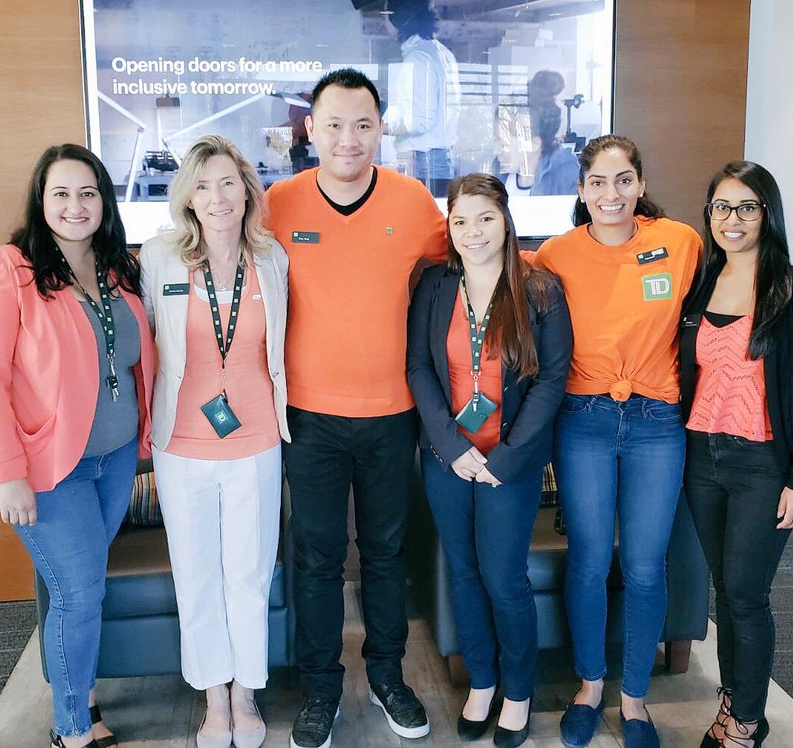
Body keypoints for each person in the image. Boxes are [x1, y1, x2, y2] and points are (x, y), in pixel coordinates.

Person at [266, 68, 447, 748]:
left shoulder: (414, 201)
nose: (348, 139)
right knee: (315, 557)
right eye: (334, 124)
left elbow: (466, 269)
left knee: (385, 553)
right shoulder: (276, 204)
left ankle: (387, 675)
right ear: (310, 129)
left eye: (362, 124)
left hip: (392, 412)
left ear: (381, 128)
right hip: (307, 416)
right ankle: (320, 688)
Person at [0, 144, 156, 748]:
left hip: (116, 456)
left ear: (105, 200)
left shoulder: (118, 267)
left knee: (82, 587)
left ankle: (83, 691)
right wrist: (6, 473)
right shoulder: (9, 269)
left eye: (89, 193)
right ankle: (73, 729)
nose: (76, 206)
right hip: (49, 469)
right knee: (80, 590)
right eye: (62, 194)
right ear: (41, 201)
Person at [532, 135, 702, 748]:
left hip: (658, 422)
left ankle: (635, 700)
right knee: (588, 559)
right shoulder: (554, 255)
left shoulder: (679, 242)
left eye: (623, 179)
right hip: (584, 421)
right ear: (581, 189)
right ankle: (589, 686)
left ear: (640, 183)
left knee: (645, 565)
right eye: (598, 183)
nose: (612, 194)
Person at [407, 173, 572, 748]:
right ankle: (482, 681)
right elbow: (419, 371)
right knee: (463, 570)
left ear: (505, 220)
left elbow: (553, 379)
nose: (473, 232)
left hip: (510, 462)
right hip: (447, 459)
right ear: (448, 228)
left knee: (504, 578)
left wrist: (506, 456)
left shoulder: (540, 290)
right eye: (460, 221)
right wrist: (453, 449)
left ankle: (519, 691)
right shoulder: (433, 287)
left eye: (485, 218)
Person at [138, 136, 289, 748]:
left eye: (228, 183)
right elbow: (147, 340)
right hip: (182, 443)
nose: (218, 197)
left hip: (255, 439)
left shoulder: (272, 258)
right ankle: (214, 700)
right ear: (188, 198)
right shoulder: (158, 258)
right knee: (196, 575)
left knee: (248, 575)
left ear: (247, 191)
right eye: (203, 185)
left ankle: (247, 693)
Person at [680, 162, 793, 748]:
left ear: (767, 213)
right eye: (721, 207)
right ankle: (736, 702)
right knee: (726, 589)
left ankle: (743, 722)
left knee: (747, 595)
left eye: (746, 207)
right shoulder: (701, 284)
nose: (732, 219)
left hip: (763, 465)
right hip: (702, 457)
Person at [383, 0, 462, 198]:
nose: (384, 18)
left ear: (398, 17)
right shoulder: (440, 52)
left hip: (421, 161)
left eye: (387, 12)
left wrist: (378, 126)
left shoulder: (417, 58)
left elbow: (418, 121)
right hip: (436, 159)